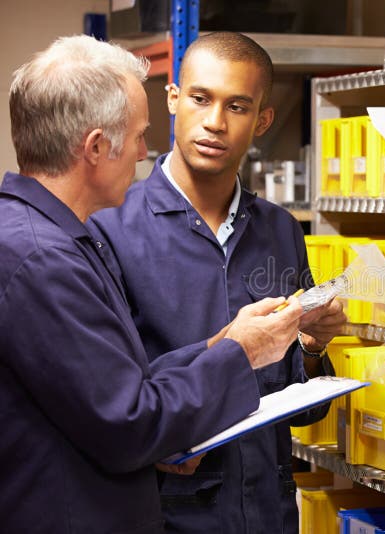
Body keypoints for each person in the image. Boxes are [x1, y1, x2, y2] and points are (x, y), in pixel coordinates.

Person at [0, 35, 309, 533]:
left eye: (237, 106)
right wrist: (240, 353)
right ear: (97, 147)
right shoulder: (43, 259)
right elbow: (130, 420)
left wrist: (224, 343)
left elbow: (124, 382)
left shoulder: (55, 241)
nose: (145, 152)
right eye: (139, 135)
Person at [89, 32, 346, 533]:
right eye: (201, 99)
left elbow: (300, 413)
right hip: (167, 518)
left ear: (262, 120)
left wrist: (313, 348)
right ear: (173, 99)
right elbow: (110, 401)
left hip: (268, 514)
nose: (214, 122)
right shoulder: (110, 229)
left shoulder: (279, 230)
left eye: (238, 106)